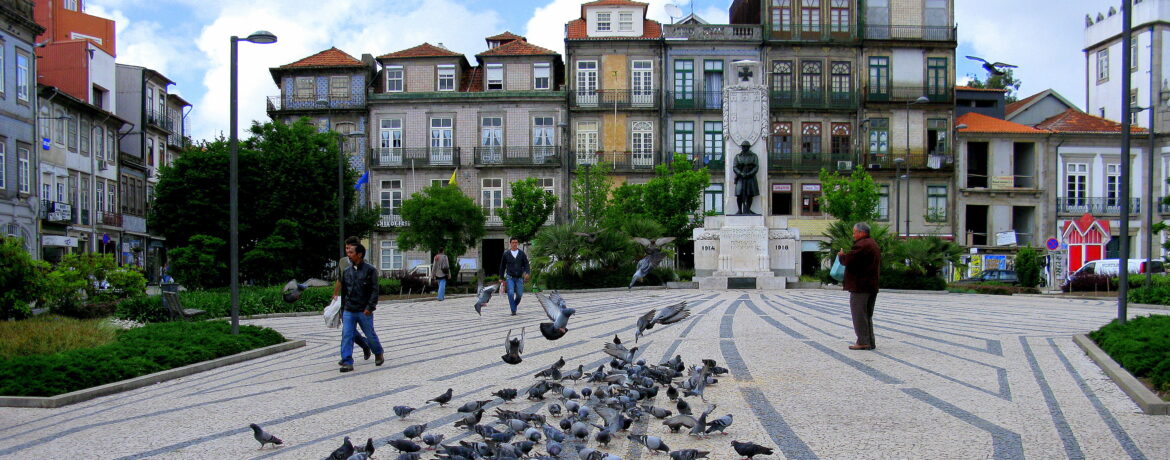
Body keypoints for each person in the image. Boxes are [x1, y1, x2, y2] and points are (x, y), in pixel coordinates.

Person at [338, 241, 384, 372]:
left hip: (364, 310)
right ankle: (347, 361)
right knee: (347, 335)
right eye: (348, 252)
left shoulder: (370, 270)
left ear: (359, 254)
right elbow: (344, 292)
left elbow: (374, 291)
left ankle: (378, 352)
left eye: (351, 252)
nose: (349, 254)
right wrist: (343, 309)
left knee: (370, 335)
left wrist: (370, 307)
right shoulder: (346, 271)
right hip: (349, 310)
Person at [838, 222, 881, 350]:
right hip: (871, 285)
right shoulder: (873, 244)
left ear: (862, 232)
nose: (853, 235)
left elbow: (849, 260)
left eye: (854, 232)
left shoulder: (862, 245)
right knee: (866, 315)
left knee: (859, 315)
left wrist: (841, 256)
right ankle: (869, 341)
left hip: (860, 286)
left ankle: (863, 341)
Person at [334, 237, 371, 364]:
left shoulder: (364, 264)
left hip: (360, 303)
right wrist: (335, 294)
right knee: (347, 330)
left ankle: (365, 345)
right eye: (346, 248)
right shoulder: (342, 262)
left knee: (352, 330)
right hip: (346, 301)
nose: (347, 250)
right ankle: (349, 356)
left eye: (350, 248)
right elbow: (340, 279)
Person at [498, 237, 530, 316]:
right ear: (510, 243)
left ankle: (514, 305)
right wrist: (501, 277)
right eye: (513, 242)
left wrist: (527, 273)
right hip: (510, 277)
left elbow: (526, 264)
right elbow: (502, 266)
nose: (515, 244)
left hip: (519, 278)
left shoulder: (521, 253)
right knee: (511, 293)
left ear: (518, 243)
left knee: (519, 295)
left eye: (516, 242)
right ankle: (513, 310)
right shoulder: (506, 254)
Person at [732, 141, 759, 215]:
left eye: (746, 146)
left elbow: (756, 167)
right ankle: (739, 210)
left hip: (750, 177)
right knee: (739, 193)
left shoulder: (754, 156)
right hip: (740, 177)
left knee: (750, 194)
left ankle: (747, 209)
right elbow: (734, 167)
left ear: (748, 147)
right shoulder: (738, 156)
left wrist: (749, 174)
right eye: (743, 146)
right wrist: (740, 173)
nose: (744, 148)